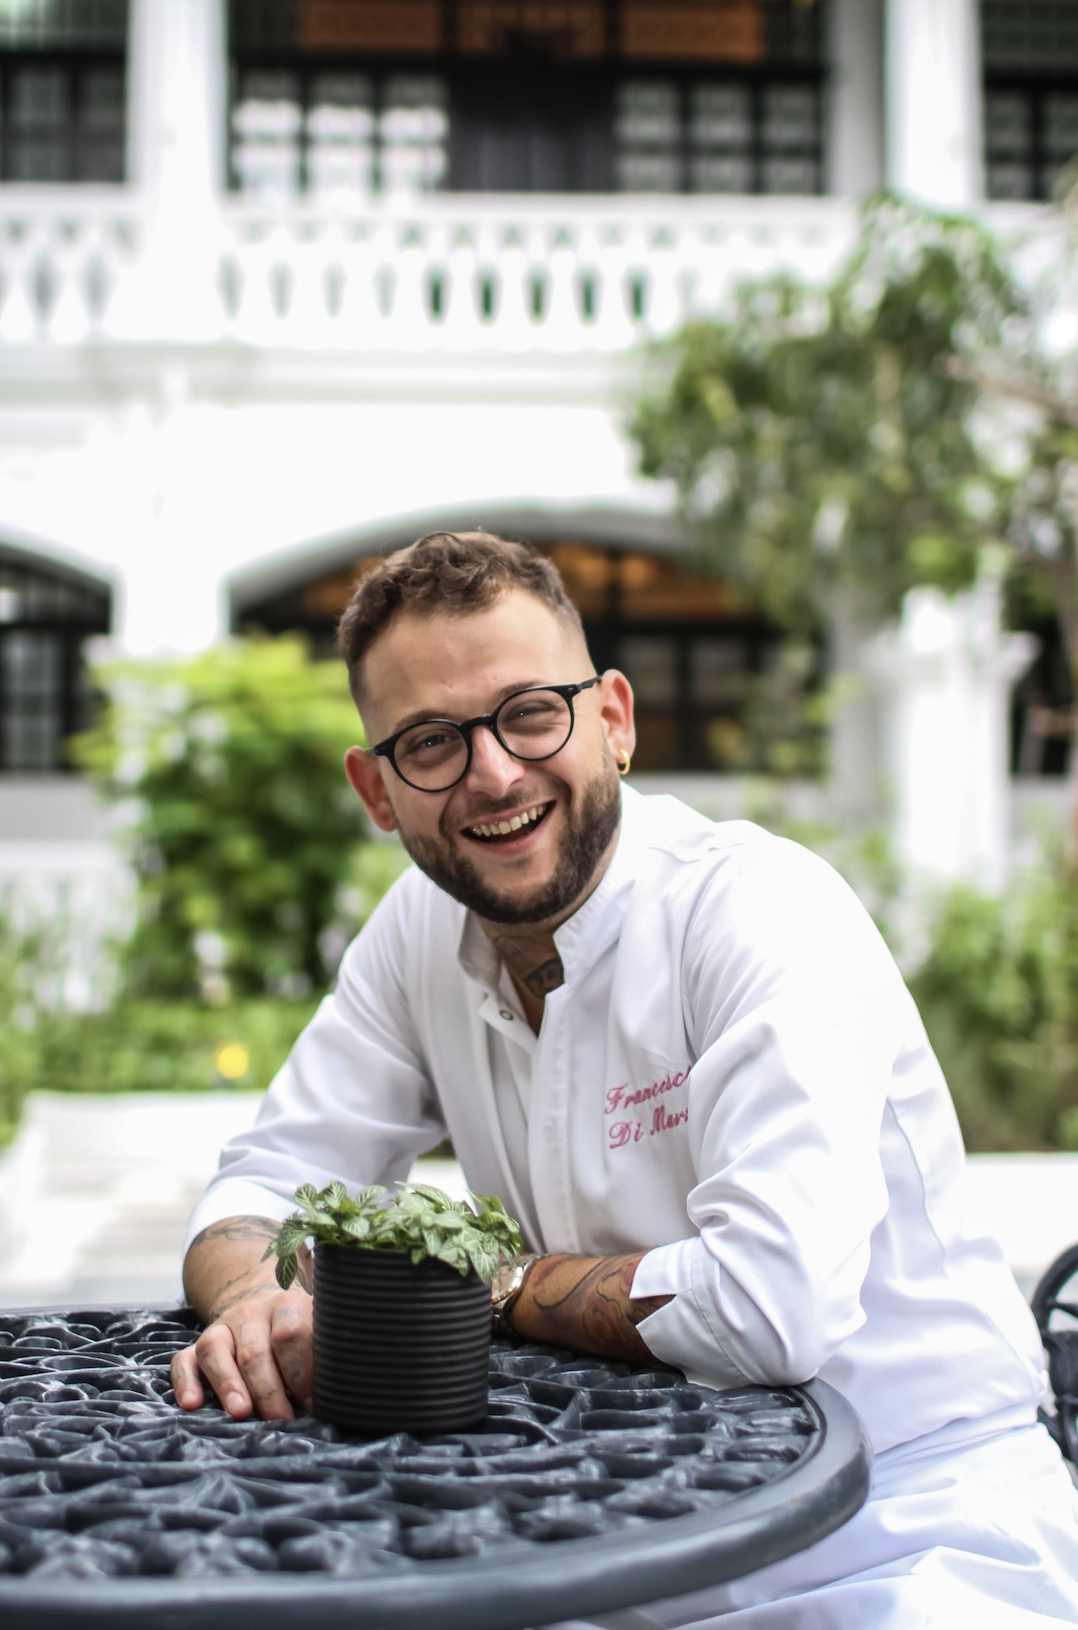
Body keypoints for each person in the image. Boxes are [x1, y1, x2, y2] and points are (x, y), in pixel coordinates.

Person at [171, 530, 1078, 1627]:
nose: (493, 772)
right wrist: (254, 1308)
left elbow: (767, 1306)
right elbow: (263, 1179)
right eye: (429, 742)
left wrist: (482, 1289)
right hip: (620, 1524)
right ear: (377, 789)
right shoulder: (419, 932)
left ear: (613, 718)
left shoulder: (755, 908)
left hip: (908, 1527)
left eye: (529, 712)